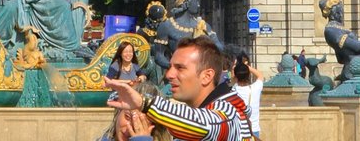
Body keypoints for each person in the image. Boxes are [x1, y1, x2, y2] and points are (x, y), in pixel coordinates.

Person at [106, 36, 251, 141]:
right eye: (170, 67)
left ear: (207, 76)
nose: (169, 74)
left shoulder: (228, 112)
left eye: (180, 68)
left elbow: (205, 124)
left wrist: (145, 103)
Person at [319, 0, 360, 82]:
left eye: (342, 12)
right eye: (339, 12)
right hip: (353, 72)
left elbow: (340, 58)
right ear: (332, 14)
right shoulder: (331, 31)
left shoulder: (339, 28)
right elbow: (357, 46)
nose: (341, 15)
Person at [232, 58, 263, 140]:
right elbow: (260, 75)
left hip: (238, 131)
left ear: (235, 76)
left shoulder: (232, 91)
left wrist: (234, 67)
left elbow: (232, 81)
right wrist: (246, 66)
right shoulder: (256, 88)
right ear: (248, 75)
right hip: (253, 130)